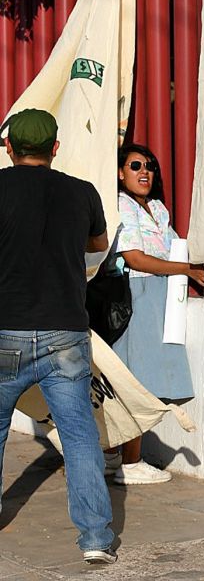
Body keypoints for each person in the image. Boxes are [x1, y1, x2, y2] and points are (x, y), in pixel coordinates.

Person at [0, 109, 117, 563]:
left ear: (10, 148)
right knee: (79, 434)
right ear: (54, 148)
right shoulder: (81, 192)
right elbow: (98, 243)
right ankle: (95, 539)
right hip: (65, 332)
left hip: (4, 327)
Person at [110, 144, 204, 485]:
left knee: (138, 378)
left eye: (149, 165)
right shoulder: (122, 205)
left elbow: (172, 245)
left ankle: (113, 457)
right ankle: (130, 462)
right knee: (138, 381)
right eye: (135, 165)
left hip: (158, 296)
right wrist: (187, 269)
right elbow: (134, 258)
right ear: (121, 172)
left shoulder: (156, 208)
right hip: (137, 294)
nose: (144, 171)